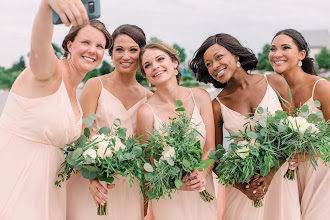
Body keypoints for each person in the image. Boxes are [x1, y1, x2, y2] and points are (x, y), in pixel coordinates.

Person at [0, 0, 111, 219]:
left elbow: (78, 151)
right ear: (69, 45)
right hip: (16, 182)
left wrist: (95, 175)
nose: (92, 50)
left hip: (51, 195)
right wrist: (47, 5)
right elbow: (39, 47)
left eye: (99, 46)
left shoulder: (76, 98)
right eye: (86, 42)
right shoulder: (48, 73)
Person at [190, 33, 301, 220]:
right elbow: (216, 159)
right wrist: (246, 189)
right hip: (245, 187)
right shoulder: (217, 105)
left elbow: (293, 134)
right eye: (208, 64)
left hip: (279, 180)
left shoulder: (275, 82)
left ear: (236, 55)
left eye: (218, 57)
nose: (214, 66)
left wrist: (270, 174)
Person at [66, 24, 152, 220]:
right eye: (119, 49)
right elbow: (81, 135)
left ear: (142, 54)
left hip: (131, 187)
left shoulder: (150, 97)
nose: (126, 56)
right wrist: (93, 176)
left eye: (133, 50)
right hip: (92, 183)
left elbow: (146, 151)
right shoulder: (95, 85)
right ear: (110, 54)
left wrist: (147, 198)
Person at [136, 42, 217, 220]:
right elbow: (147, 166)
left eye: (160, 59)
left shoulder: (201, 97)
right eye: (147, 65)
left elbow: (210, 148)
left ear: (174, 62)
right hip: (169, 197)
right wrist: (176, 183)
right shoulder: (145, 113)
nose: (155, 66)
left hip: (202, 190)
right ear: (145, 75)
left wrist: (201, 174)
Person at [269, 29, 330, 220]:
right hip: (287, 178)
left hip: (320, 174)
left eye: (285, 48)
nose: (276, 54)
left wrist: (311, 151)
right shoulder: (270, 92)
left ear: (301, 54)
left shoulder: (320, 87)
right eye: (273, 49)